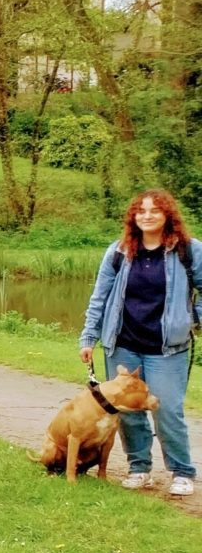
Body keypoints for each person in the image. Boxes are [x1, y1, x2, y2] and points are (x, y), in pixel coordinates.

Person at [79, 189, 202, 496]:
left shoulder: (188, 250)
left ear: (167, 215)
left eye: (154, 210)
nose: (147, 215)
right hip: (123, 344)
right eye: (141, 210)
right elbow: (100, 297)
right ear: (134, 216)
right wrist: (89, 337)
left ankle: (182, 471)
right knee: (128, 410)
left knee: (167, 410)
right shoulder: (120, 251)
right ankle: (139, 468)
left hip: (168, 348)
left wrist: (193, 320)